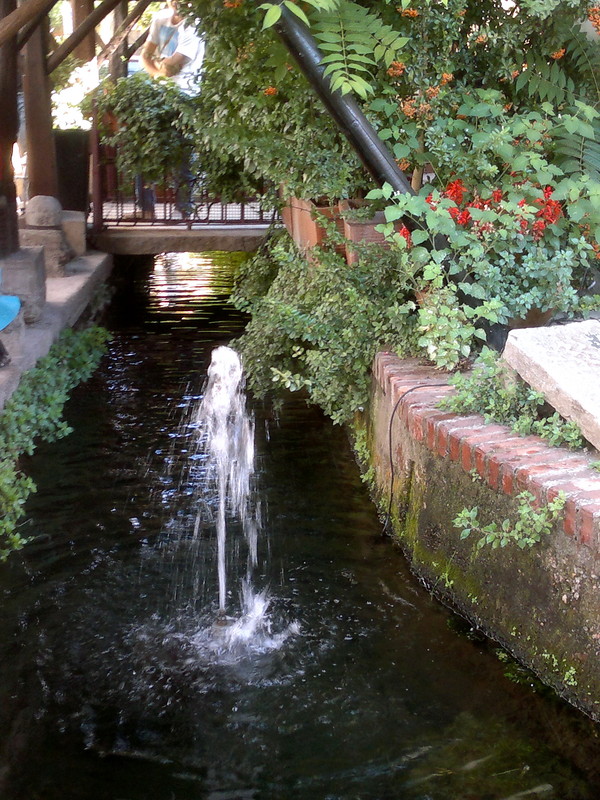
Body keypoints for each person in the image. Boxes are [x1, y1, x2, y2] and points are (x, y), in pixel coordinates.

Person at [135, 0, 204, 219]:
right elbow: (145, 56)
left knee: (183, 154)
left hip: (187, 95)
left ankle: (184, 211)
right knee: (145, 150)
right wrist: (159, 74)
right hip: (160, 92)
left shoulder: (195, 24)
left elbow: (174, 65)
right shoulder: (160, 18)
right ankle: (146, 211)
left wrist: (160, 68)